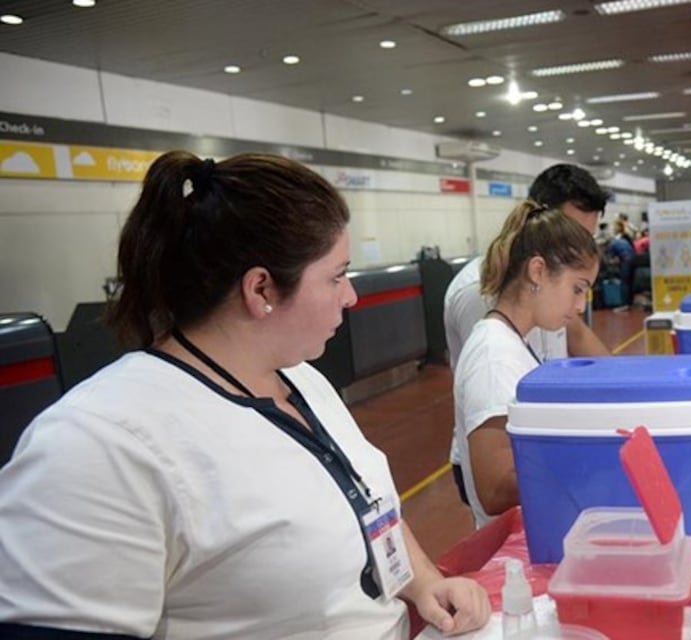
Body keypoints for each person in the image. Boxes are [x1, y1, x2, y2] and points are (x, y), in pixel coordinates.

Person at [0, 151, 490, 639]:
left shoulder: (302, 380)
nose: (351, 297)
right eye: (336, 276)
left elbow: (361, 500)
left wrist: (422, 581)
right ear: (261, 290)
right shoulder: (98, 443)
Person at [444, 164, 610, 503]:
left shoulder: (527, 323)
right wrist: (593, 461)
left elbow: (581, 341)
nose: (580, 306)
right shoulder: (492, 346)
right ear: (538, 267)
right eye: (577, 288)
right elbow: (496, 486)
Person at [605, 218, 637, 310]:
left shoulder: (614, 240)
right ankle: (629, 303)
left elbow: (609, 253)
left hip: (626, 261)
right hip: (632, 259)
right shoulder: (625, 237)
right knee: (629, 282)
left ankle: (624, 305)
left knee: (624, 283)